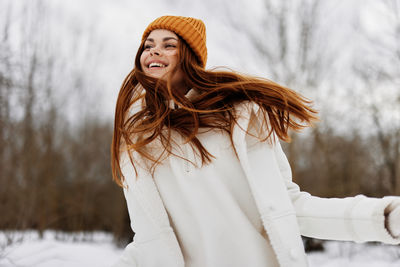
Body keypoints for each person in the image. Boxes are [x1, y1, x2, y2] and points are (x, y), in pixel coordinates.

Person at [110, 15, 400, 267]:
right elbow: (151, 240)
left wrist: (383, 218)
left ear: (190, 58)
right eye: (148, 46)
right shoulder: (137, 142)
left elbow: (288, 208)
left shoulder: (238, 119)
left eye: (168, 45)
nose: (153, 51)